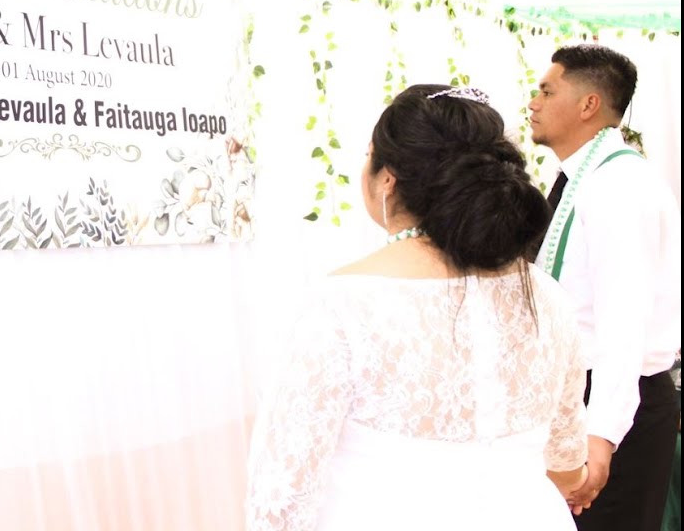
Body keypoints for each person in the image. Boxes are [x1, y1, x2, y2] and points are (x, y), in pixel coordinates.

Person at [246, 85, 589, 531]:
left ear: (387, 178)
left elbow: (280, 500)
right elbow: (566, 460)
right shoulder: (548, 296)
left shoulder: (339, 307)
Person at [528, 45, 681, 531]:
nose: (533, 102)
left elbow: (623, 321)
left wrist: (601, 435)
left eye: (546, 91)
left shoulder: (619, 184)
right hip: (581, 393)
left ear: (588, 104)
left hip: (616, 401)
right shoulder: (584, 178)